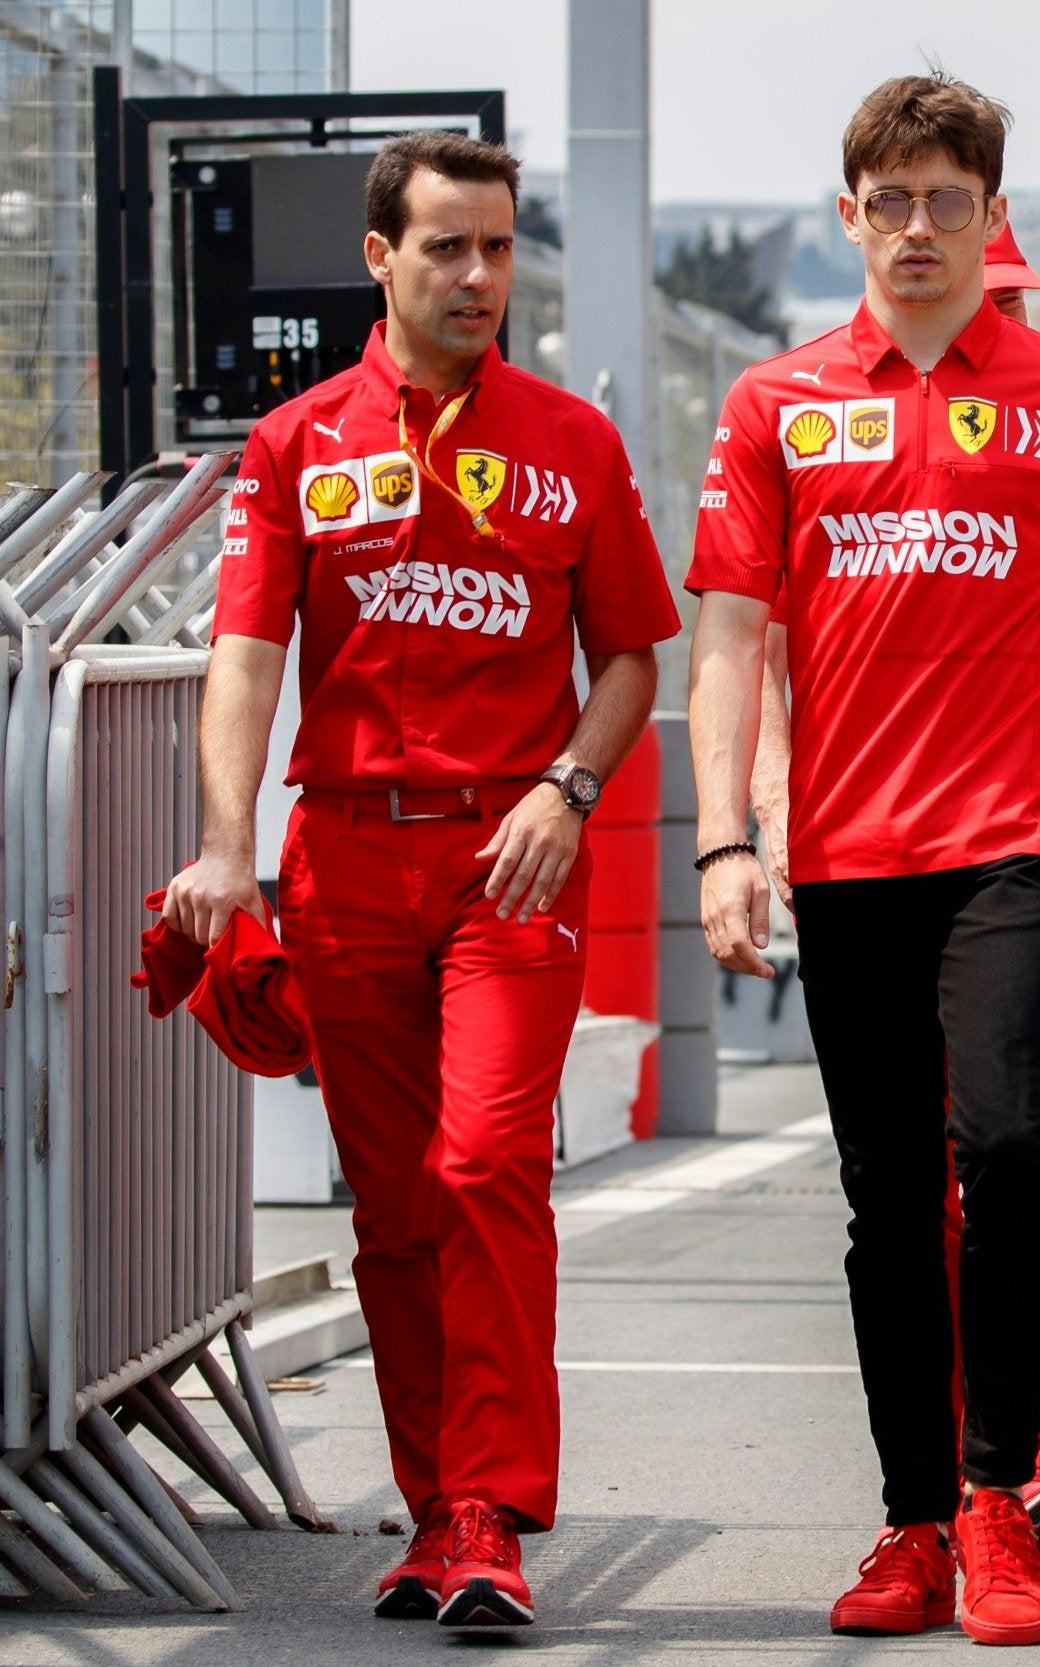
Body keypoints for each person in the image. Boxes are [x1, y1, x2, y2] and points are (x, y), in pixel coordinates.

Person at [686, 73, 1040, 1648]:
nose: (915, 226)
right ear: (850, 217)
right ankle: (907, 1524)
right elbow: (731, 639)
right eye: (888, 199)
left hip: (1016, 849)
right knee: (886, 1196)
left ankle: (996, 1503)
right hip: (843, 856)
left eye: (944, 199)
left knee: (1008, 1150)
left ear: (989, 217)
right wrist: (726, 840)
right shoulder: (776, 401)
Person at [162, 130, 678, 1628]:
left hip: (509, 864)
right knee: (391, 1207)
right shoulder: (295, 442)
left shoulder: (573, 438)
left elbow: (632, 655)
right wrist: (224, 848)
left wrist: (567, 790)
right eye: (448, 247)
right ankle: (438, 1509)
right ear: (380, 257)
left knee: (483, 1168)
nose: (479, 276)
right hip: (343, 863)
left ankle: (495, 1511)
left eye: (500, 247)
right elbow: (246, 660)